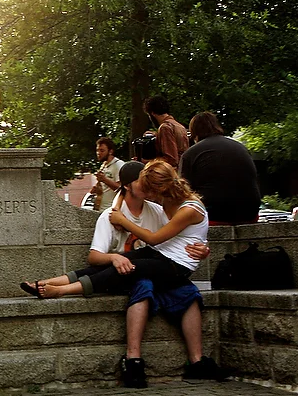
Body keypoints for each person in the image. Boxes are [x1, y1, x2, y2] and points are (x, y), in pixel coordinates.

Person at [23, 161, 227, 384]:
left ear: (159, 189)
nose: (146, 191)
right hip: (159, 256)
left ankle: (61, 292)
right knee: (116, 266)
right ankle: (47, 283)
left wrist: (203, 248)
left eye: (148, 186)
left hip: (172, 264)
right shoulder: (155, 201)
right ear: (129, 186)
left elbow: (159, 237)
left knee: (133, 272)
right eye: (140, 183)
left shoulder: (171, 207)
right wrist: (118, 216)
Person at [179, 112, 260, 225]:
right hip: (249, 212)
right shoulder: (240, 147)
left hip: (214, 214)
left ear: (194, 132)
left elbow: (182, 191)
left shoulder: (191, 154)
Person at [143, 96, 189, 168]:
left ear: (152, 113)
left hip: (170, 174)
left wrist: (146, 161)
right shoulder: (179, 126)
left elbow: (171, 159)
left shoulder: (165, 128)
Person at [90, 137, 124, 210]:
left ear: (110, 151)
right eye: (97, 150)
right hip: (101, 209)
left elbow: (121, 188)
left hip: (112, 209)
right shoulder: (103, 166)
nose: (98, 153)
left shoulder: (119, 165)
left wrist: (104, 180)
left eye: (102, 151)